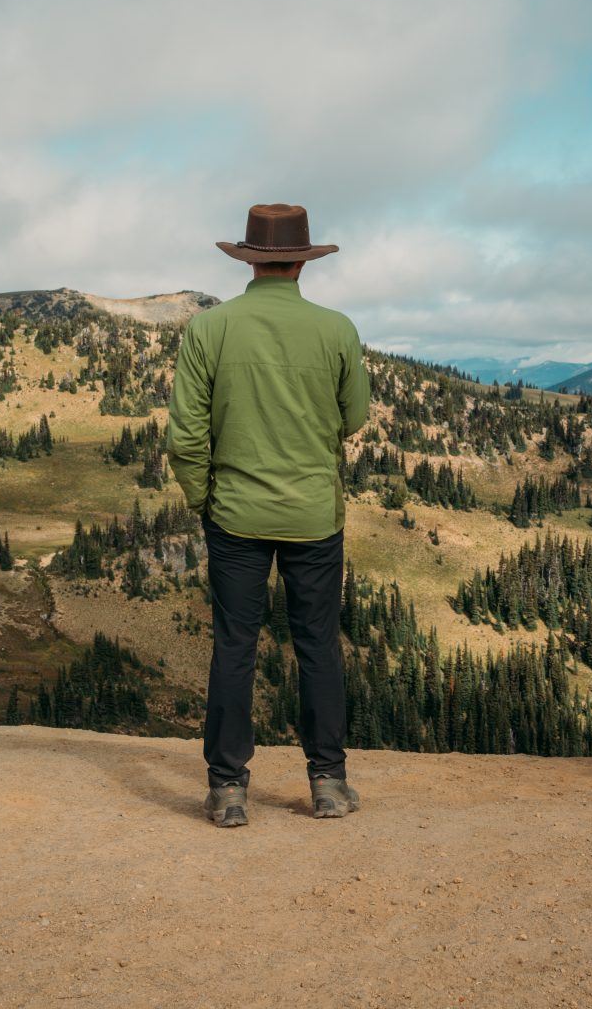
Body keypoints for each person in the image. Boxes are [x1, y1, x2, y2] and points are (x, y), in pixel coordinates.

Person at [166, 203, 370, 826]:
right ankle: (328, 783)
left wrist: (204, 498)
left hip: (234, 516)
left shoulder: (209, 329)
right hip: (313, 514)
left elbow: (185, 437)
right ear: (303, 263)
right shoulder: (336, 329)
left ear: (249, 261)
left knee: (234, 646)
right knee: (317, 647)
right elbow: (354, 417)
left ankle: (228, 788)